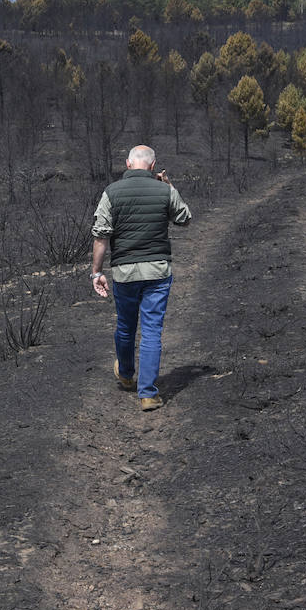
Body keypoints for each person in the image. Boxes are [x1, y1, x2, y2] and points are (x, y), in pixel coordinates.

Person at [91, 144, 193, 411]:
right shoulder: (164, 190)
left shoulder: (111, 192)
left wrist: (97, 272)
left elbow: (101, 234)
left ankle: (125, 374)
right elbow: (184, 218)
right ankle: (147, 394)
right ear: (152, 165)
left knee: (126, 326)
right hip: (157, 272)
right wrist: (170, 187)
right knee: (151, 331)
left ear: (127, 164)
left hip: (124, 272)